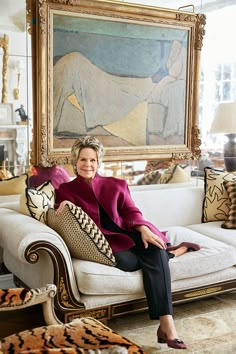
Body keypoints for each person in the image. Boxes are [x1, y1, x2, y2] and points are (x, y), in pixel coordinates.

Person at [55, 136, 198, 349]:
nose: (88, 165)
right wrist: (66, 206)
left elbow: (130, 211)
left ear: (98, 162)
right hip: (109, 243)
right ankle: (175, 253)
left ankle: (167, 325)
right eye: (83, 160)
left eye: (93, 160)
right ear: (75, 162)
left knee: (155, 249)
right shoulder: (66, 190)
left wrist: (143, 229)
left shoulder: (116, 184)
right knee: (131, 262)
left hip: (131, 232)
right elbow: (61, 216)